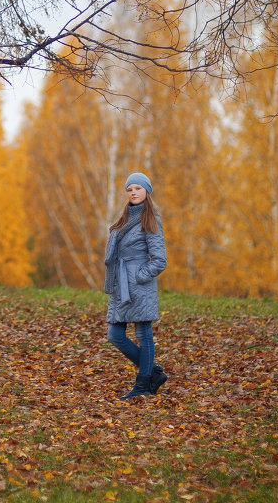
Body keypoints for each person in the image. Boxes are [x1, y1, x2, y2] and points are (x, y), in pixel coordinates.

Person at [104, 171, 168, 400]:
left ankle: (142, 384)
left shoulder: (150, 218)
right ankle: (152, 372)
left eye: (138, 188)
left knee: (143, 332)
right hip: (120, 284)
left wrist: (140, 276)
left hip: (138, 284)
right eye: (129, 189)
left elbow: (160, 259)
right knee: (115, 334)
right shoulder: (125, 218)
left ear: (147, 191)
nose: (133, 192)